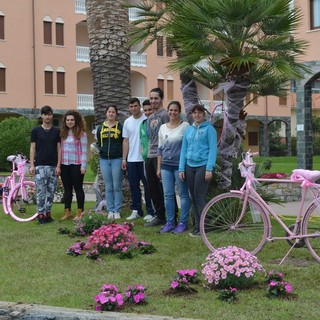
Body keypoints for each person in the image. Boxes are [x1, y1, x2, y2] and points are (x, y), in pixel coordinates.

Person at [178, 104, 217, 237]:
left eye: (199, 112)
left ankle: (204, 227)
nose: (197, 115)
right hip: (189, 166)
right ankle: (197, 226)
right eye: (194, 113)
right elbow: (184, 149)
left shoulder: (209, 129)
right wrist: (181, 168)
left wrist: (209, 168)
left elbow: (213, 149)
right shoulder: (189, 130)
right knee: (193, 197)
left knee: (199, 197)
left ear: (203, 114)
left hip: (203, 166)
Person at [157, 101, 191, 234]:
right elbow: (159, 150)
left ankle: (183, 222)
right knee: (168, 195)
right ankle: (170, 222)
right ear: (167, 111)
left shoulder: (185, 126)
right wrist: (159, 168)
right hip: (165, 166)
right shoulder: (162, 128)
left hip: (180, 166)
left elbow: (189, 146)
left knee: (183, 194)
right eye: (170, 110)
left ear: (179, 111)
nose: (172, 113)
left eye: (175, 110)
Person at [122, 97, 154, 220]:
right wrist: (124, 159)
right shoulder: (127, 122)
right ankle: (136, 210)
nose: (133, 108)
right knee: (133, 186)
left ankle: (150, 211)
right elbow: (125, 141)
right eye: (131, 106)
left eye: (135, 106)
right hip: (131, 160)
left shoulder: (147, 119)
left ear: (139, 106)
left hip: (145, 159)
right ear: (129, 108)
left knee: (148, 187)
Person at [30, 105, 61, 224]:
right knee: (41, 191)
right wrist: (32, 165)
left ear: (52, 116)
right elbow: (33, 148)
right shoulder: (36, 131)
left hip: (53, 166)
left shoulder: (56, 131)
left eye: (49, 114)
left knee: (51, 191)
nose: (47, 117)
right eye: (45, 114)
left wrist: (58, 165)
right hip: (40, 166)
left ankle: (48, 214)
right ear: (41, 116)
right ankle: (41, 215)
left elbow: (59, 148)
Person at [144, 88, 169, 227]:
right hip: (150, 154)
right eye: (151, 98)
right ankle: (159, 216)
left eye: (156, 98)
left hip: (162, 156)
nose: (153, 101)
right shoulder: (150, 118)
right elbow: (151, 137)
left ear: (161, 99)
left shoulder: (165, 115)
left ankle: (170, 216)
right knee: (152, 187)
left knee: (164, 188)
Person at [59, 110, 88, 221]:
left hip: (77, 165)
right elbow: (60, 149)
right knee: (67, 189)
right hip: (64, 165)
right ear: (65, 121)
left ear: (76, 121)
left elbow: (84, 151)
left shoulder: (81, 133)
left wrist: (83, 166)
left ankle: (80, 212)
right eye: (67, 120)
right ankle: (67, 211)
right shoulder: (62, 134)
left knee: (78, 188)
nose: (70, 122)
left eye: (72, 120)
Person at [97, 105, 123, 219]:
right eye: (109, 112)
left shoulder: (120, 127)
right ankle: (110, 210)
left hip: (117, 159)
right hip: (104, 160)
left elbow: (124, 142)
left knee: (117, 186)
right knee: (108, 187)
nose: (111, 114)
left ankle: (117, 210)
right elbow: (98, 143)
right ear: (106, 113)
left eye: (113, 112)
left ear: (116, 114)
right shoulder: (100, 128)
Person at [139, 99, 156, 221]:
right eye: (145, 110)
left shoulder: (157, 122)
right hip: (146, 159)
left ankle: (159, 213)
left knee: (158, 188)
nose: (148, 112)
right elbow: (142, 141)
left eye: (149, 110)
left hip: (157, 158)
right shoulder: (143, 124)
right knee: (149, 186)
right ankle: (151, 211)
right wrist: (142, 153)